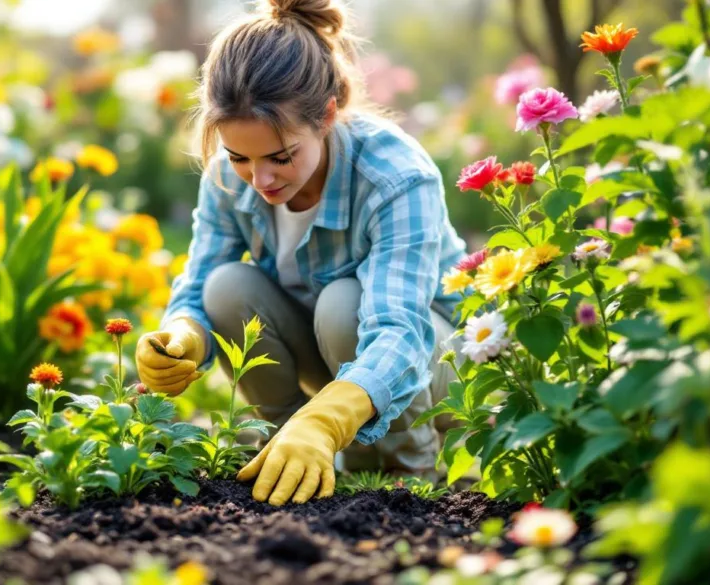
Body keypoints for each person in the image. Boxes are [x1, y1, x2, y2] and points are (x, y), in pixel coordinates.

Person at [134, 0, 468, 506]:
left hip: (438, 364)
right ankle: (288, 453)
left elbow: (399, 333)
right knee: (226, 289)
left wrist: (327, 420)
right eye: (240, 157)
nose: (260, 178)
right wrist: (182, 338)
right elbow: (201, 283)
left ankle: (404, 470)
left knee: (343, 303)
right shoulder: (229, 177)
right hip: (334, 351)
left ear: (327, 116)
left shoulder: (395, 177)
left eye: (281, 156)